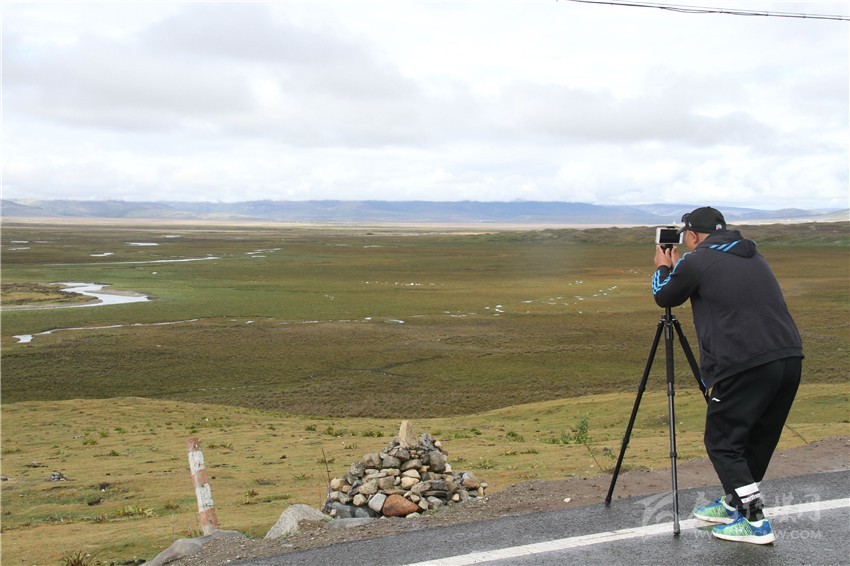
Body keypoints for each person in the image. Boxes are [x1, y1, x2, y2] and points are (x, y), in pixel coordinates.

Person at [651, 206, 803, 545]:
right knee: (756, 438)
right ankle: (735, 503)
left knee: (722, 442)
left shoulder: (696, 260)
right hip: (789, 357)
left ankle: (755, 521)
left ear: (692, 235)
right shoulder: (753, 255)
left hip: (743, 363)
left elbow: (664, 296)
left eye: (686, 236)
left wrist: (663, 267)